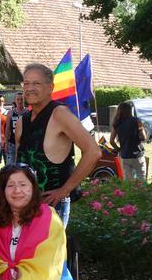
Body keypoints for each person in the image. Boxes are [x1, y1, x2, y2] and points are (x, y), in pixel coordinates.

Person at [15, 63, 101, 226]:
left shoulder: (60, 114)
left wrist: (65, 190)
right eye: (26, 83)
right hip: (24, 205)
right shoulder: (22, 122)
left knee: (48, 252)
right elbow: (19, 164)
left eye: (36, 83)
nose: (30, 88)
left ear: (50, 87)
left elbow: (93, 152)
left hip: (52, 207)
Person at [111, 102, 148, 181]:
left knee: (128, 181)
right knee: (142, 179)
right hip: (137, 154)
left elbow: (111, 141)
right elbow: (144, 137)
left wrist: (119, 149)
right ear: (130, 110)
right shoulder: (137, 121)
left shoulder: (116, 123)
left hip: (125, 155)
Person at [4, 93, 26, 166]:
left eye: (21, 99)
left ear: (24, 100)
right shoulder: (10, 113)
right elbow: (7, 129)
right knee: (10, 166)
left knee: (23, 166)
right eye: (18, 99)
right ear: (15, 101)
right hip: (12, 143)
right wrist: (6, 143)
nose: (20, 101)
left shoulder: (28, 113)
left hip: (24, 144)